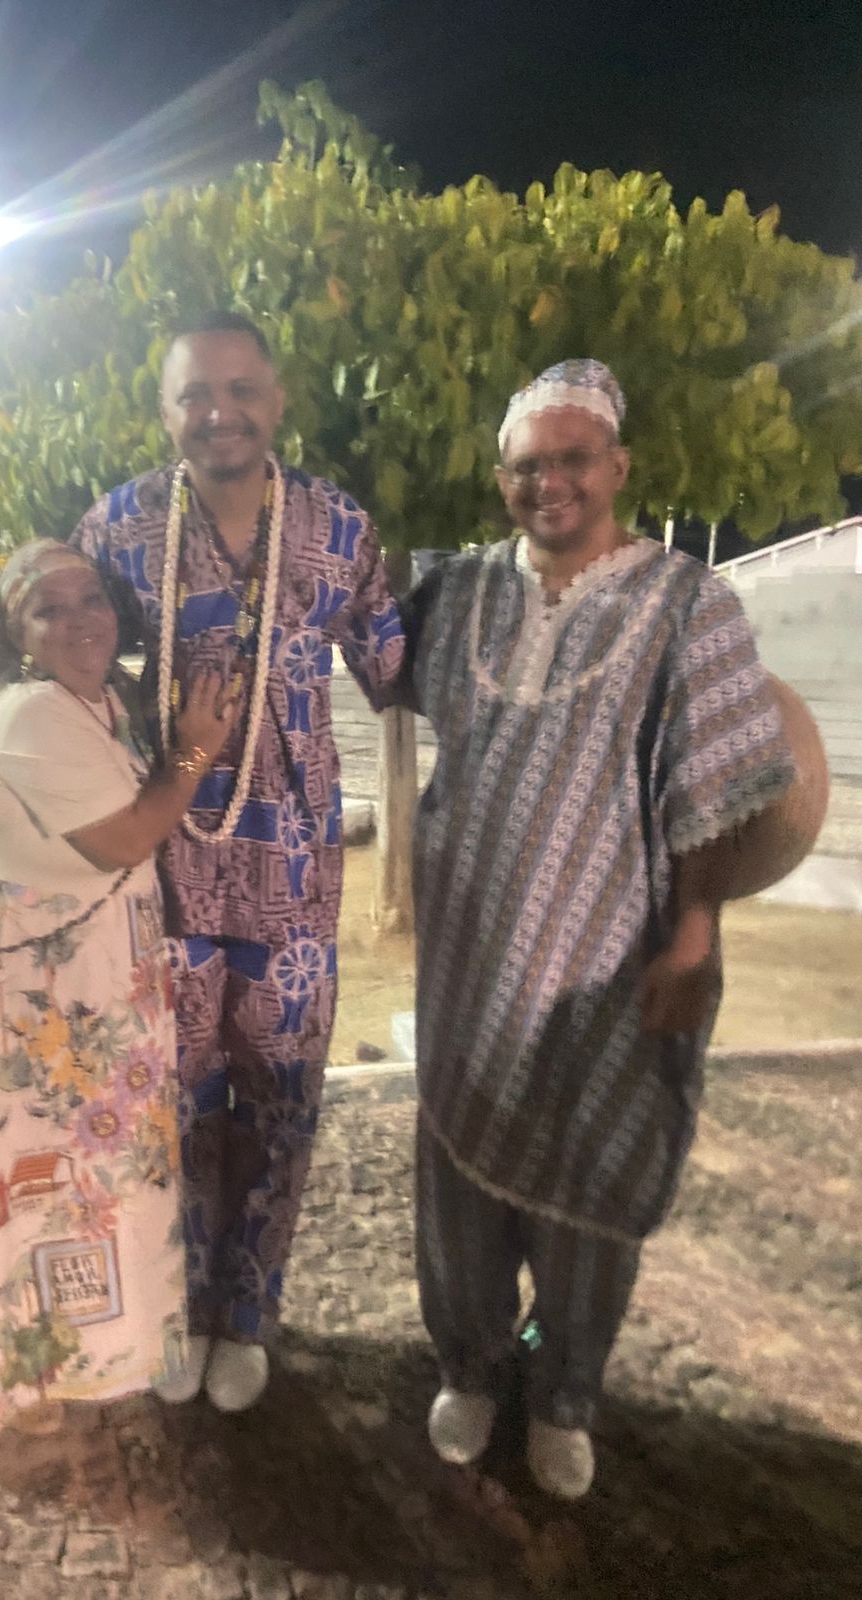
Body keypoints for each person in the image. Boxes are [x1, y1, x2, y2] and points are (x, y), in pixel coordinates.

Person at [401, 360, 795, 1499]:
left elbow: (715, 783)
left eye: (574, 459)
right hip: (470, 955)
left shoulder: (688, 604)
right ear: (501, 480)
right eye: (528, 465)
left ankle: (565, 1391)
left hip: (612, 953)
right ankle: (471, 1366)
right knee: (459, 1168)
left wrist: (694, 934)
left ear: (618, 467)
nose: (552, 482)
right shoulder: (459, 592)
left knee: (591, 1171)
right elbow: (338, 644)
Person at [65, 310, 407, 1411]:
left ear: (278, 397)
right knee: (170, 1101)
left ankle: (248, 1313)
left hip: (295, 880)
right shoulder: (119, 529)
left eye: (241, 390)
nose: (220, 413)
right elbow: (53, 640)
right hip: (162, 869)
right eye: (195, 395)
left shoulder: (339, 529)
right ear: (166, 410)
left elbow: (400, 665)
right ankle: (174, 1308)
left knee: (280, 1101)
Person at [0, 540, 238, 1444]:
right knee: (10, 1185)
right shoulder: (34, 711)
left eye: (92, 600)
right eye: (51, 609)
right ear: (17, 633)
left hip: (71, 989)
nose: (81, 621)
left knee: (75, 1188)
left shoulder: (99, 699)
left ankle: (69, 1359)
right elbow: (127, 838)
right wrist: (197, 751)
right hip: (24, 1002)